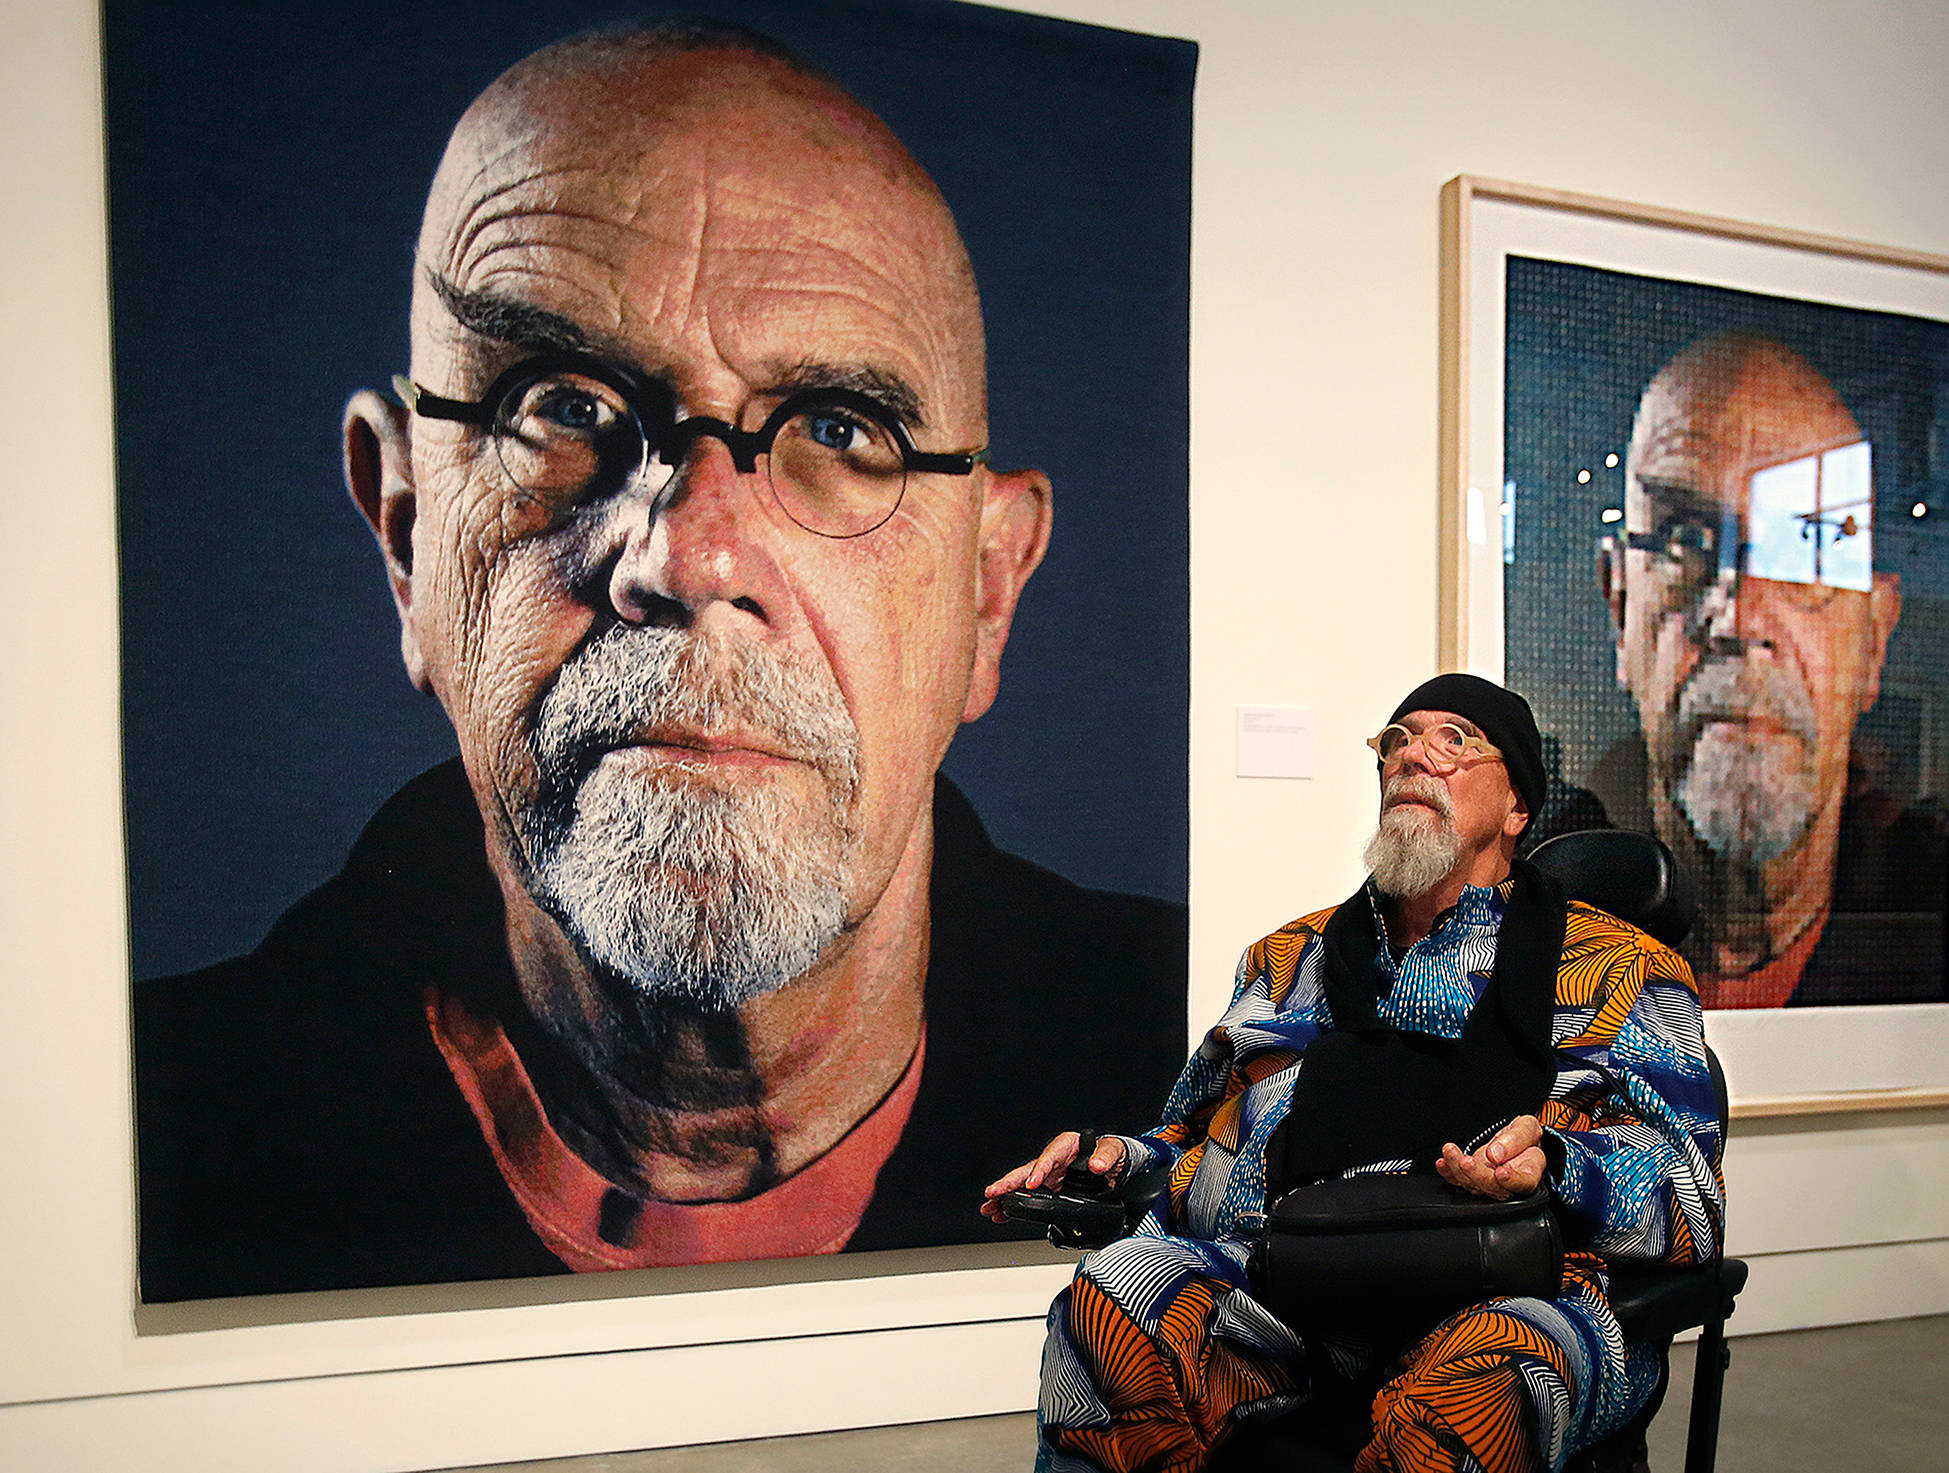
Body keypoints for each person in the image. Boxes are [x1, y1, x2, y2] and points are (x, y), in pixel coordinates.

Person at [132, 20, 1185, 1303]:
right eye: (564, 406)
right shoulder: (150, 1127)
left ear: (987, 588)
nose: (690, 560)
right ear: (407, 532)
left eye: (838, 429)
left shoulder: (1203, 1081)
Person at [988, 674, 1723, 1473]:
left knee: (1480, 1385)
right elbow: (1194, 1140)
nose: (1413, 758)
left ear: (1517, 809)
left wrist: (1561, 1164)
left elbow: (1694, 1199)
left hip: (1516, 1291)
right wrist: (1113, 1161)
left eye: (1454, 740)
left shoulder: (1623, 970)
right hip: (1300, 1281)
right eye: (1398, 740)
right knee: (1115, 1292)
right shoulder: (1286, 960)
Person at [1593, 332, 1945, 1009]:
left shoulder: (1924, 930)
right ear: (1620, 606)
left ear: (1874, 638)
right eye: (1683, 539)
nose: (1740, 618)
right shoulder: (1536, 928)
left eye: (1807, 547)